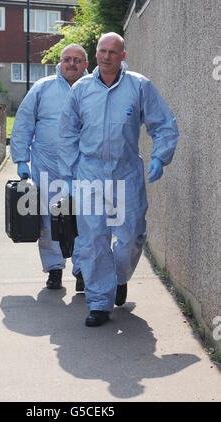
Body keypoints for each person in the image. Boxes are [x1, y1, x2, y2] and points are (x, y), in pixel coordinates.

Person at [58, 33, 179, 326]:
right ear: (95, 53)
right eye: (102, 51)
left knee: (132, 235)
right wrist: (70, 175)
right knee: (93, 239)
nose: (106, 56)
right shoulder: (82, 90)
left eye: (113, 52)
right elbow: (67, 133)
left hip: (126, 175)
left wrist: (160, 157)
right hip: (90, 174)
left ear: (122, 56)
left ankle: (119, 277)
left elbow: (163, 124)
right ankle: (99, 303)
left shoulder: (139, 86)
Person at [10, 44, 89, 291]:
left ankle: (82, 271)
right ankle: (54, 269)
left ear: (86, 64)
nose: (72, 64)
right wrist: (21, 159)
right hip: (46, 164)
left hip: (81, 165)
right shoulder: (43, 87)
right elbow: (23, 122)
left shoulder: (94, 89)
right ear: (60, 62)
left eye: (78, 60)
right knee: (47, 218)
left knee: (83, 219)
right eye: (68, 59)